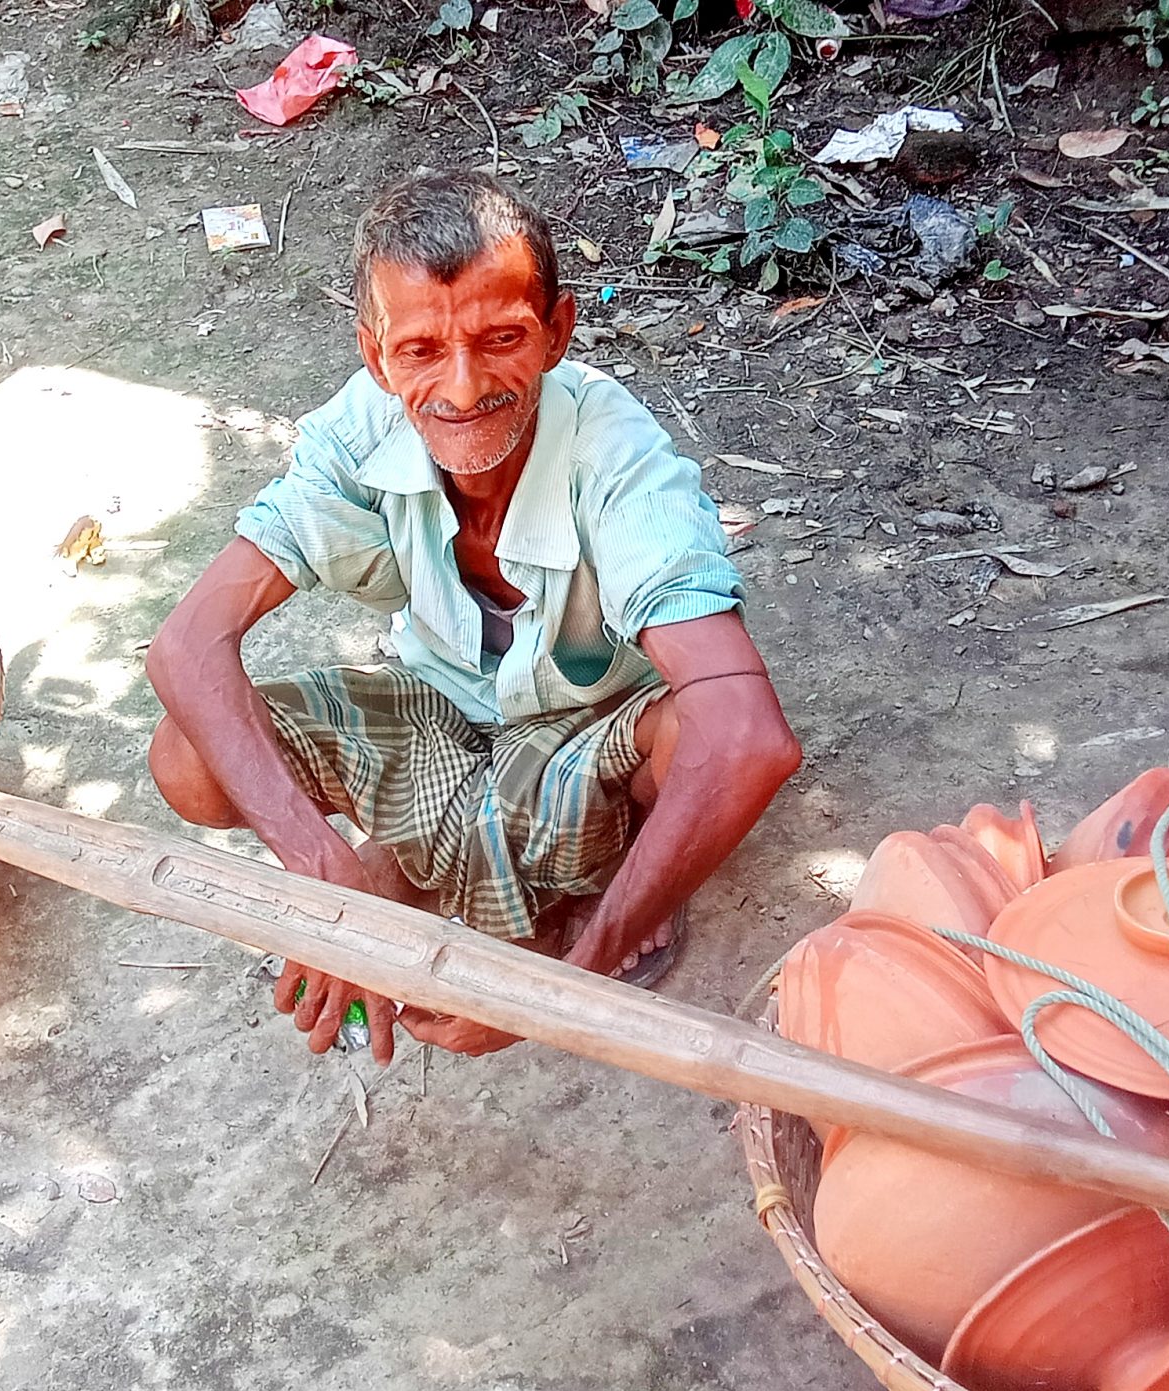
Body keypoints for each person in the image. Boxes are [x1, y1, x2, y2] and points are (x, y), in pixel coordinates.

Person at [145, 172, 800, 1064]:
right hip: (441, 701)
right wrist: (322, 869)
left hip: (589, 723)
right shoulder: (359, 429)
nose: (461, 387)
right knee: (189, 760)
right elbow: (187, 646)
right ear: (377, 358)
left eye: (502, 339)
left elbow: (750, 739)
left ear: (558, 332)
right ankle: (424, 867)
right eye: (420, 351)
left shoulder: (620, 462)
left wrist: (564, 993)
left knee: (697, 741)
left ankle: (614, 879)